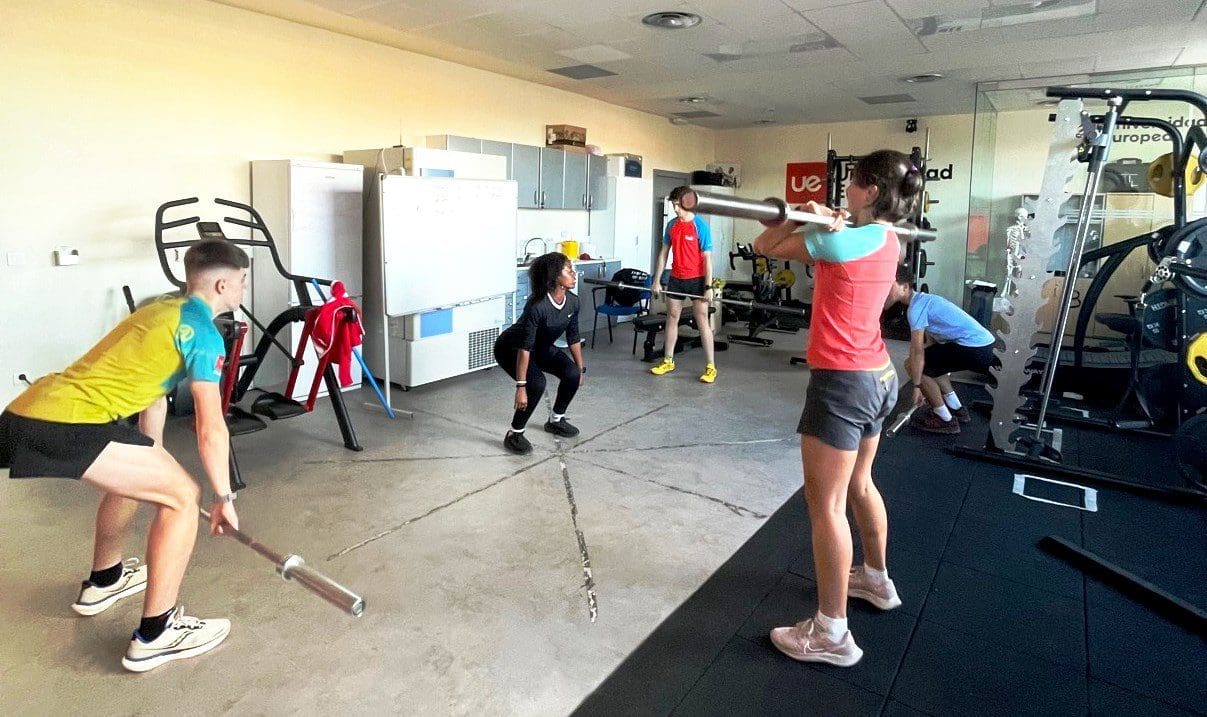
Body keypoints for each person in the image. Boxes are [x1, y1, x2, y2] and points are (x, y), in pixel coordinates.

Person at [0, 239, 246, 672]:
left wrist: (152, 454)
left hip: (28, 410)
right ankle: (157, 634)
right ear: (224, 284)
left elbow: (151, 396)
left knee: (144, 478)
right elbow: (210, 426)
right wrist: (224, 498)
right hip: (71, 421)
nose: (243, 288)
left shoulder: (160, 310)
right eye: (242, 281)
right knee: (183, 497)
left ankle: (105, 580)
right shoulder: (204, 333)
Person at [752, 150, 923, 667]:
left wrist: (803, 215)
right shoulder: (887, 238)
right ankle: (876, 580)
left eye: (852, 182)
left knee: (825, 506)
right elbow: (791, 242)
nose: (845, 189)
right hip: (879, 375)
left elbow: (765, 245)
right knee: (861, 485)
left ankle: (831, 632)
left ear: (871, 190)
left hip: (842, 384)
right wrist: (811, 217)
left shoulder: (835, 240)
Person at [884, 264, 998, 435]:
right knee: (934, 365)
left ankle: (944, 419)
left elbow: (916, 352)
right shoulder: (925, 300)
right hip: (984, 345)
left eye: (888, 286)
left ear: (905, 287)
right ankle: (957, 408)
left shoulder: (915, 309)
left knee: (912, 364)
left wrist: (917, 386)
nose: (884, 291)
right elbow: (930, 344)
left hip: (974, 348)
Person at [493, 252, 586, 455]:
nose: (573, 273)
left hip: (540, 347)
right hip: (511, 349)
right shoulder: (537, 307)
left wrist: (580, 369)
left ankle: (556, 420)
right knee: (536, 384)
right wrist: (521, 386)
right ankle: (515, 433)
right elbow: (524, 348)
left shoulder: (573, 302)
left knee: (571, 374)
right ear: (555, 277)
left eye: (572, 268)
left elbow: (573, 336)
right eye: (568, 269)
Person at [649, 186, 718, 383]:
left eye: (677, 205)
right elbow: (663, 254)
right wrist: (657, 280)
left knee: (702, 320)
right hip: (676, 279)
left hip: (697, 280)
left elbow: (707, 260)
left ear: (687, 203)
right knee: (672, 317)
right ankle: (668, 360)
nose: (675, 209)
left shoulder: (700, 226)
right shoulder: (671, 226)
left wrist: (708, 286)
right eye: (673, 205)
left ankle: (711, 366)